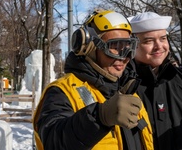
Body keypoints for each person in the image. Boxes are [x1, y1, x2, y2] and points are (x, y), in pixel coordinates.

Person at [33, 9, 153, 150]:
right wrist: (98, 117)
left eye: (128, 47)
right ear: (88, 46)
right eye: (115, 46)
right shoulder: (62, 91)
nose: (124, 57)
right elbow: (54, 141)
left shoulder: (129, 90)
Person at [129, 12, 182, 150]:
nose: (159, 46)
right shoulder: (122, 85)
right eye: (149, 41)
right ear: (133, 45)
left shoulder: (179, 79)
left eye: (163, 39)